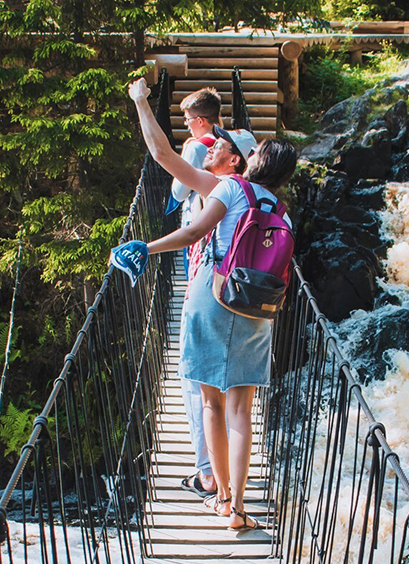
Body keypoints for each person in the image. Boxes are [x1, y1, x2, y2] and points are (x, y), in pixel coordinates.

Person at [121, 77, 298, 531]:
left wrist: (141, 101)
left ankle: (219, 496)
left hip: (212, 294)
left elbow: (166, 166)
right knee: (241, 407)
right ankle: (238, 509)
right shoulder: (279, 209)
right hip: (258, 306)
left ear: (249, 162)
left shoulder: (229, 188)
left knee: (210, 405)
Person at [169, 87, 221, 500]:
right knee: (229, 389)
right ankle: (224, 478)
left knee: (192, 377)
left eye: (188, 119)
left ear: (199, 119)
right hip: (235, 270)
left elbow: (177, 194)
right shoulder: (238, 142)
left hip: (202, 259)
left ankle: (206, 474)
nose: (186, 125)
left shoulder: (196, 147)